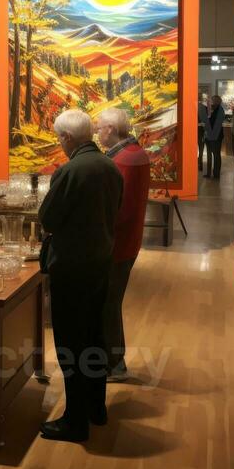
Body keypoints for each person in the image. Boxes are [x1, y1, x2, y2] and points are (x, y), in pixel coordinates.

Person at [38, 110, 123, 443]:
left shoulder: (70, 170)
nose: (59, 144)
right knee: (94, 334)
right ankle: (96, 407)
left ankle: (74, 421)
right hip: (100, 259)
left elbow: (48, 218)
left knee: (71, 343)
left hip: (72, 266)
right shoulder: (109, 166)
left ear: (68, 139)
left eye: (60, 138)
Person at [95, 108, 150, 381]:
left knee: (108, 303)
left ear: (111, 129)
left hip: (117, 244)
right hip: (124, 242)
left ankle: (114, 364)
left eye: (99, 127)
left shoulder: (126, 160)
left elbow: (121, 210)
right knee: (110, 302)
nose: (97, 132)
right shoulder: (131, 153)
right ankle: (113, 361)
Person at [205, 94, 226, 179]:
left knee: (216, 155)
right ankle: (210, 173)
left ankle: (216, 174)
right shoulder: (215, 110)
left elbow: (215, 123)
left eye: (212, 101)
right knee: (211, 154)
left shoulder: (219, 110)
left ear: (216, 102)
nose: (211, 102)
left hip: (216, 136)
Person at [198, 101, 211, 173]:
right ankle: (200, 165)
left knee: (198, 149)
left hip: (196, 132)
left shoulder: (193, 109)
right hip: (202, 132)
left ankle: (199, 164)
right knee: (201, 149)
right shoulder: (205, 108)